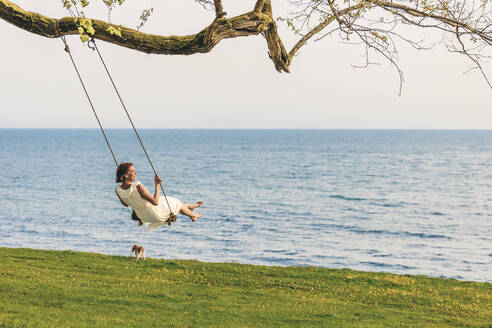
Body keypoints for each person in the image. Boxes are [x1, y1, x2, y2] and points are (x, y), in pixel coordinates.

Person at [115, 162, 203, 231]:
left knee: (169, 202)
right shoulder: (137, 186)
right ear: (126, 175)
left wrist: (135, 202)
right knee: (175, 202)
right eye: (133, 171)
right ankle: (192, 215)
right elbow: (155, 202)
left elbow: (125, 204)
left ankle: (190, 207)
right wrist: (157, 184)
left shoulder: (118, 190)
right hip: (154, 213)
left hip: (143, 216)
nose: (135, 173)